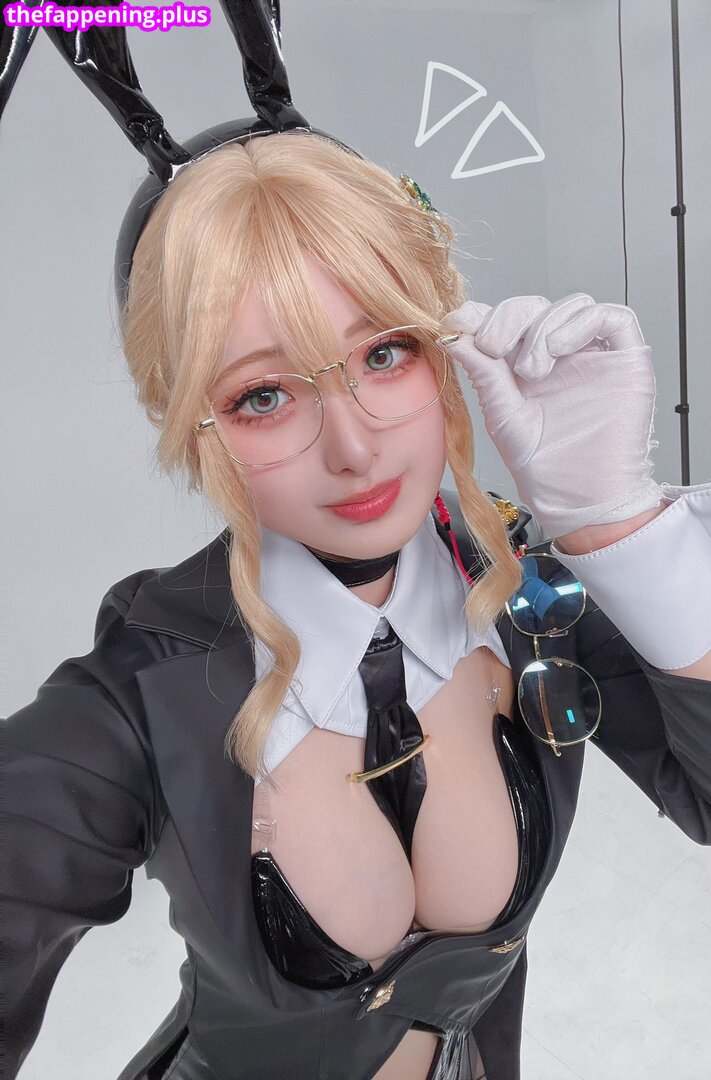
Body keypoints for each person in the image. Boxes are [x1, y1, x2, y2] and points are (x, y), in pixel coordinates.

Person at [4, 128, 711, 1080]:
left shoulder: (524, 590)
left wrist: (613, 525)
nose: (354, 447)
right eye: (263, 396)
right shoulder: (142, 690)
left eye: (383, 352)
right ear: (188, 422)